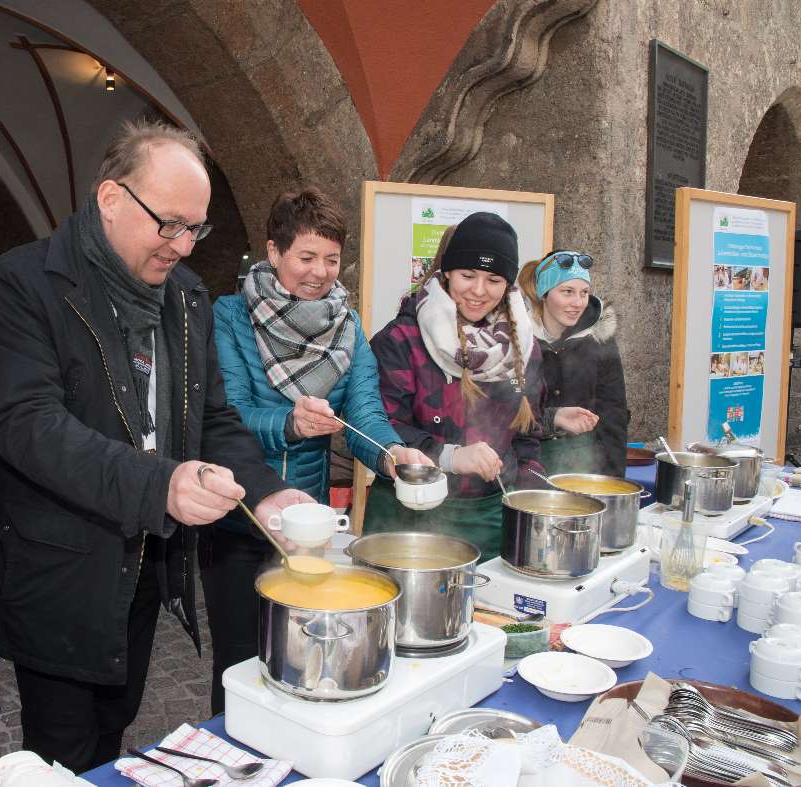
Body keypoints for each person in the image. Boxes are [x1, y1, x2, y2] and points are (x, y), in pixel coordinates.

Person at [0, 120, 309, 772]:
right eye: (170, 223)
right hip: (59, 571)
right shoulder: (22, 284)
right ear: (111, 199)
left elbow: (211, 417)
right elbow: (28, 426)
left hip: (144, 566)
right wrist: (161, 484)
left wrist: (267, 494)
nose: (183, 244)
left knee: (115, 727)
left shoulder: (185, 298)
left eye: (197, 228)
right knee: (62, 753)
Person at [202, 186, 431, 713]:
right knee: (238, 664)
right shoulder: (230, 317)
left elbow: (365, 414)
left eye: (331, 259)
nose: (320, 272)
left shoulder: (346, 324)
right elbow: (226, 413)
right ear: (274, 251)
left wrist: (392, 454)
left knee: (301, 657)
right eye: (306, 257)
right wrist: (289, 423)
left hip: (307, 524)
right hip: (238, 518)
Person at [364, 212, 545, 559]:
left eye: (494, 279)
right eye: (467, 275)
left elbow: (528, 435)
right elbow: (381, 429)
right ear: (446, 272)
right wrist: (451, 456)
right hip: (407, 516)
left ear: (509, 284)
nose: (479, 291)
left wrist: (530, 496)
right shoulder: (402, 340)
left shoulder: (523, 346)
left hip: (492, 517)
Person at [517, 251, 629, 477]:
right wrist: (552, 419)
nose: (577, 303)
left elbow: (613, 413)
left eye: (584, 293)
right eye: (567, 292)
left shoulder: (599, 339)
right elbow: (504, 411)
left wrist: (612, 483)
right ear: (544, 293)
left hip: (585, 463)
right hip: (526, 461)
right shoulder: (519, 338)